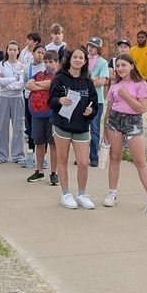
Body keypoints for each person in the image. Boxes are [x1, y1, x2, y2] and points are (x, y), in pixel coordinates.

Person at [102, 54, 147, 214]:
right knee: (115, 158)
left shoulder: (140, 84)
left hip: (133, 122)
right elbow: (108, 109)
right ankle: (112, 193)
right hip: (114, 122)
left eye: (123, 65)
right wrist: (104, 129)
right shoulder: (115, 86)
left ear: (131, 66)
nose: (120, 68)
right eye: (118, 66)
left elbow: (141, 108)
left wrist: (125, 95)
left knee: (140, 162)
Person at [49, 47, 98, 209]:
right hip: (62, 124)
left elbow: (94, 104)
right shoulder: (60, 79)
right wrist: (59, 101)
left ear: (85, 61)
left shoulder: (88, 82)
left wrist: (91, 111)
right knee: (62, 159)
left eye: (81, 58)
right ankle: (65, 194)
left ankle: (82, 194)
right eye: (75, 57)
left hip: (81, 126)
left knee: (83, 162)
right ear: (70, 59)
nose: (78, 60)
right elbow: (50, 101)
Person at [26, 49, 59, 184]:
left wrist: (38, 86)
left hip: (52, 113)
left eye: (51, 62)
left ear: (57, 62)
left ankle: (54, 172)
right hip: (38, 112)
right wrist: (43, 86)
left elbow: (52, 85)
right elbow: (28, 85)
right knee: (39, 143)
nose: (48, 64)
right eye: (45, 62)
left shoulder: (59, 77)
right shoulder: (39, 74)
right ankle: (39, 171)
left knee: (53, 144)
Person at [0, 40, 27, 165]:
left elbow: (22, 83)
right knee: (2, 125)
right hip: (3, 97)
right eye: (10, 49)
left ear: (18, 51)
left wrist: (9, 84)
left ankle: (18, 154)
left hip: (17, 98)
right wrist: (13, 79)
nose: (12, 52)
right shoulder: (1, 65)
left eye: (15, 49)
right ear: (7, 50)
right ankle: (0, 154)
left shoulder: (22, 66)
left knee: (18, 126)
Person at [86, 36, 110, 167]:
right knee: (82, 129)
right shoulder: (83, 61)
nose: (90, 48)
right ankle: (82, 155)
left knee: (94, 128)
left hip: (97, 100)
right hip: (83, 98)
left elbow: (102, 81)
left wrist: (89, 81)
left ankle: (94, 156)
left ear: (99, 49)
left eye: (93, 46)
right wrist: (93, 79)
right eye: (89, 45)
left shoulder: (102, 63)